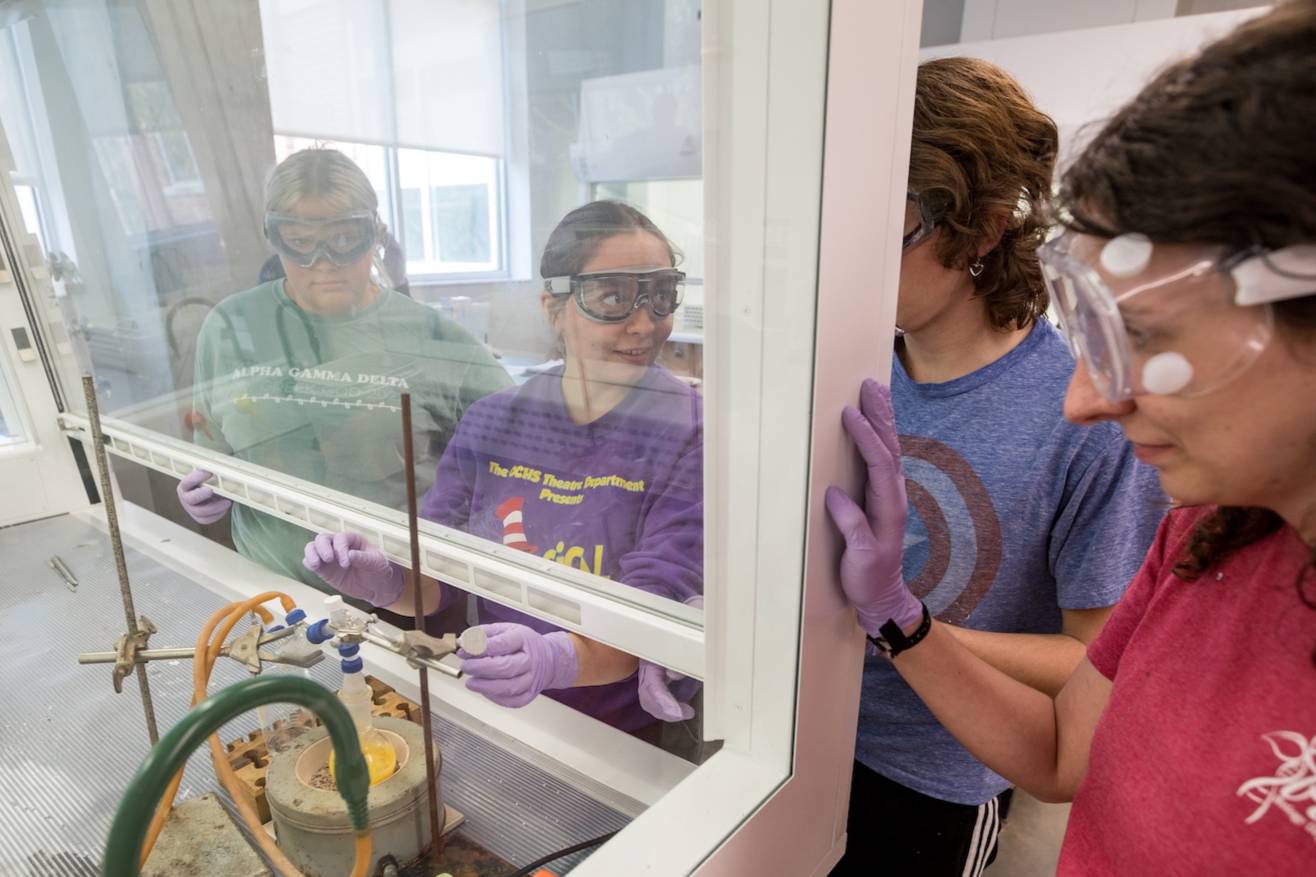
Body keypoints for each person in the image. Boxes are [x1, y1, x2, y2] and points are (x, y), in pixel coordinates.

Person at [827, 3, 1316, 873]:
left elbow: (1072, 671)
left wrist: (887, 625)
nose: (1090, 399)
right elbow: (1066, 754)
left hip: (933, 778)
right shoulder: (1203, 536)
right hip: (826, 737)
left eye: (1151, 335)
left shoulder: (1119, 449)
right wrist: (895, 620)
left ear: (978, 230)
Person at [830, 59, 1165, 877]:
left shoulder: (1083, 420)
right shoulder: (844, 362)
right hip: (809, 734)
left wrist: (903, 629)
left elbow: (1093, 659)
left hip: (934, 777)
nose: (856, 255)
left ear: (980, 229)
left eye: (893, 224)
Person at [305, 201, 703, 738]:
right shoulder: (497, 420)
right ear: (554, 307)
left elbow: (653, 605)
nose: (645, 323)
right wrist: (385, 580)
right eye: (613, 296)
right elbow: (438, 577)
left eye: (660, 295)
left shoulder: (688, 430)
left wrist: (556, 659)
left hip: (619, 731)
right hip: (493, 704)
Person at [177, 148, 510, 599]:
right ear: (273, 238)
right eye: (300, 240)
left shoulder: (432, 337)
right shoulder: (231, 327)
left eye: (345, 238)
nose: (324, 260)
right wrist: (207, 496)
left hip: (399, 603)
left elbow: (520, 452)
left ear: (376, 234)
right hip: (268, 595)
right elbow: (214, 450)